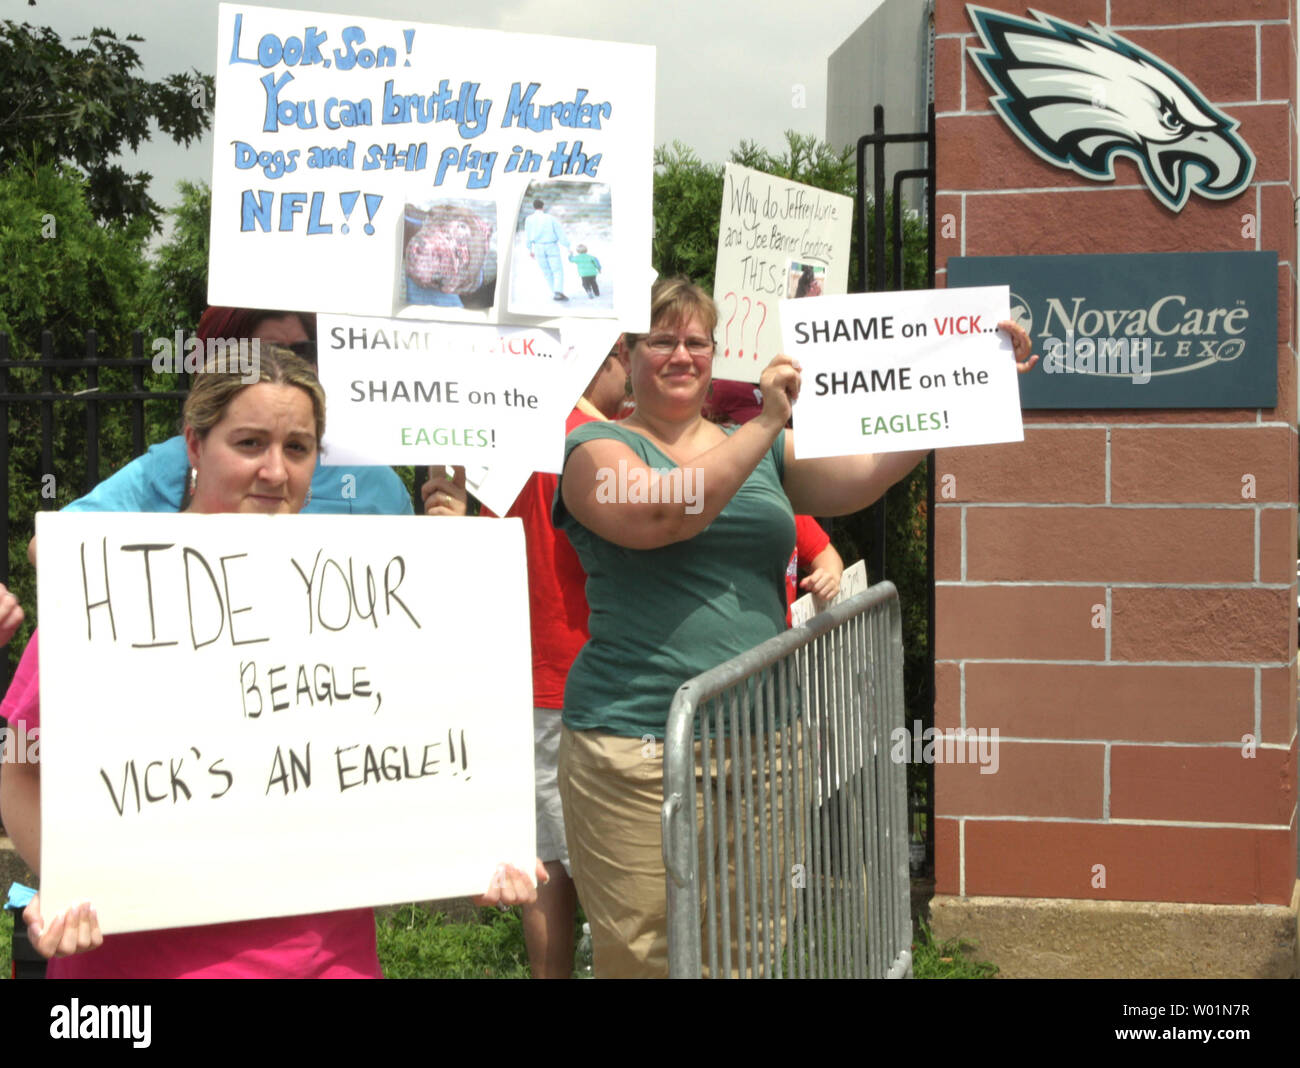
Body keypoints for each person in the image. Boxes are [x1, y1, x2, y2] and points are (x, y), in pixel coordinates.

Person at [553, 276, 1038, 977]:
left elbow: (865, 473)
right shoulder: (594, 451)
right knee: (644, 959)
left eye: (696, 341)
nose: (681, 355)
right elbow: (665, 510)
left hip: (764, 748)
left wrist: (973, 385)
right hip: (632, 750)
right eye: (661, 340)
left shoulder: (759, 453)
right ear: (628, 355)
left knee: (747, 952)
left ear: (716, 353)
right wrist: (764, 421)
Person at [0, 349, 538, 976]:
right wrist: (70, 886)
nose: (276, 471)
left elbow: (409, 761)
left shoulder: (365, 601)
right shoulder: (113, 586)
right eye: (250, 443)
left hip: (329, 960)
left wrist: (475, 851)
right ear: (195, 447)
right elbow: (19, 762)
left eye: (299, 448)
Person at [455, 350, 624, 978]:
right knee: (612, 866)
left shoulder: (505, 438)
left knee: (546, 863)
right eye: (623, 357)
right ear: (603, 360)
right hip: (593, 674)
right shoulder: (599, 445)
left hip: (528, 673)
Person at [525, 199, 570, 301]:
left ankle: (554, 292)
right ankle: (558, 292)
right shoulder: (550, 218)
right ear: (543, 206)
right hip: (551, 245)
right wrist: (567, 246)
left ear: (534, 207)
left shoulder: (529, 219)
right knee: (557, 270)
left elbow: (527, 235)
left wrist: (529, 249)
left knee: (546, 271)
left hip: (537, 247)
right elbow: (560, 233)